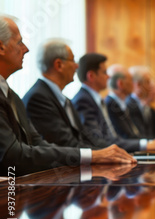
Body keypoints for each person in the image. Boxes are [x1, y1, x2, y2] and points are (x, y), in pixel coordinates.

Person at [0, 15, 135, 176]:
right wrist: (93, 155)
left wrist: (100, 155)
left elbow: (37, 144)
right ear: (1, 48)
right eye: (19, 42)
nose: (26, 49)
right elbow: (13, 156)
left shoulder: (12, 94)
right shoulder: (36, 97)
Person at [72, 54, 155, 152]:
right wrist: (146, 145)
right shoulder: (84, 100)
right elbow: (95, 140)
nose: (108, 76)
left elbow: (114, 138)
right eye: (104, 72)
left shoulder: (96, 100)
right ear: (91, 76)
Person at [22, 39, 106, 148]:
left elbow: (87, 137)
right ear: (59, 65)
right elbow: (64, 144)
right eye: (73, 60)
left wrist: (112, 151)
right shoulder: (38, 98)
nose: (77, 66)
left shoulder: (65, 100)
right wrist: (100, 154)